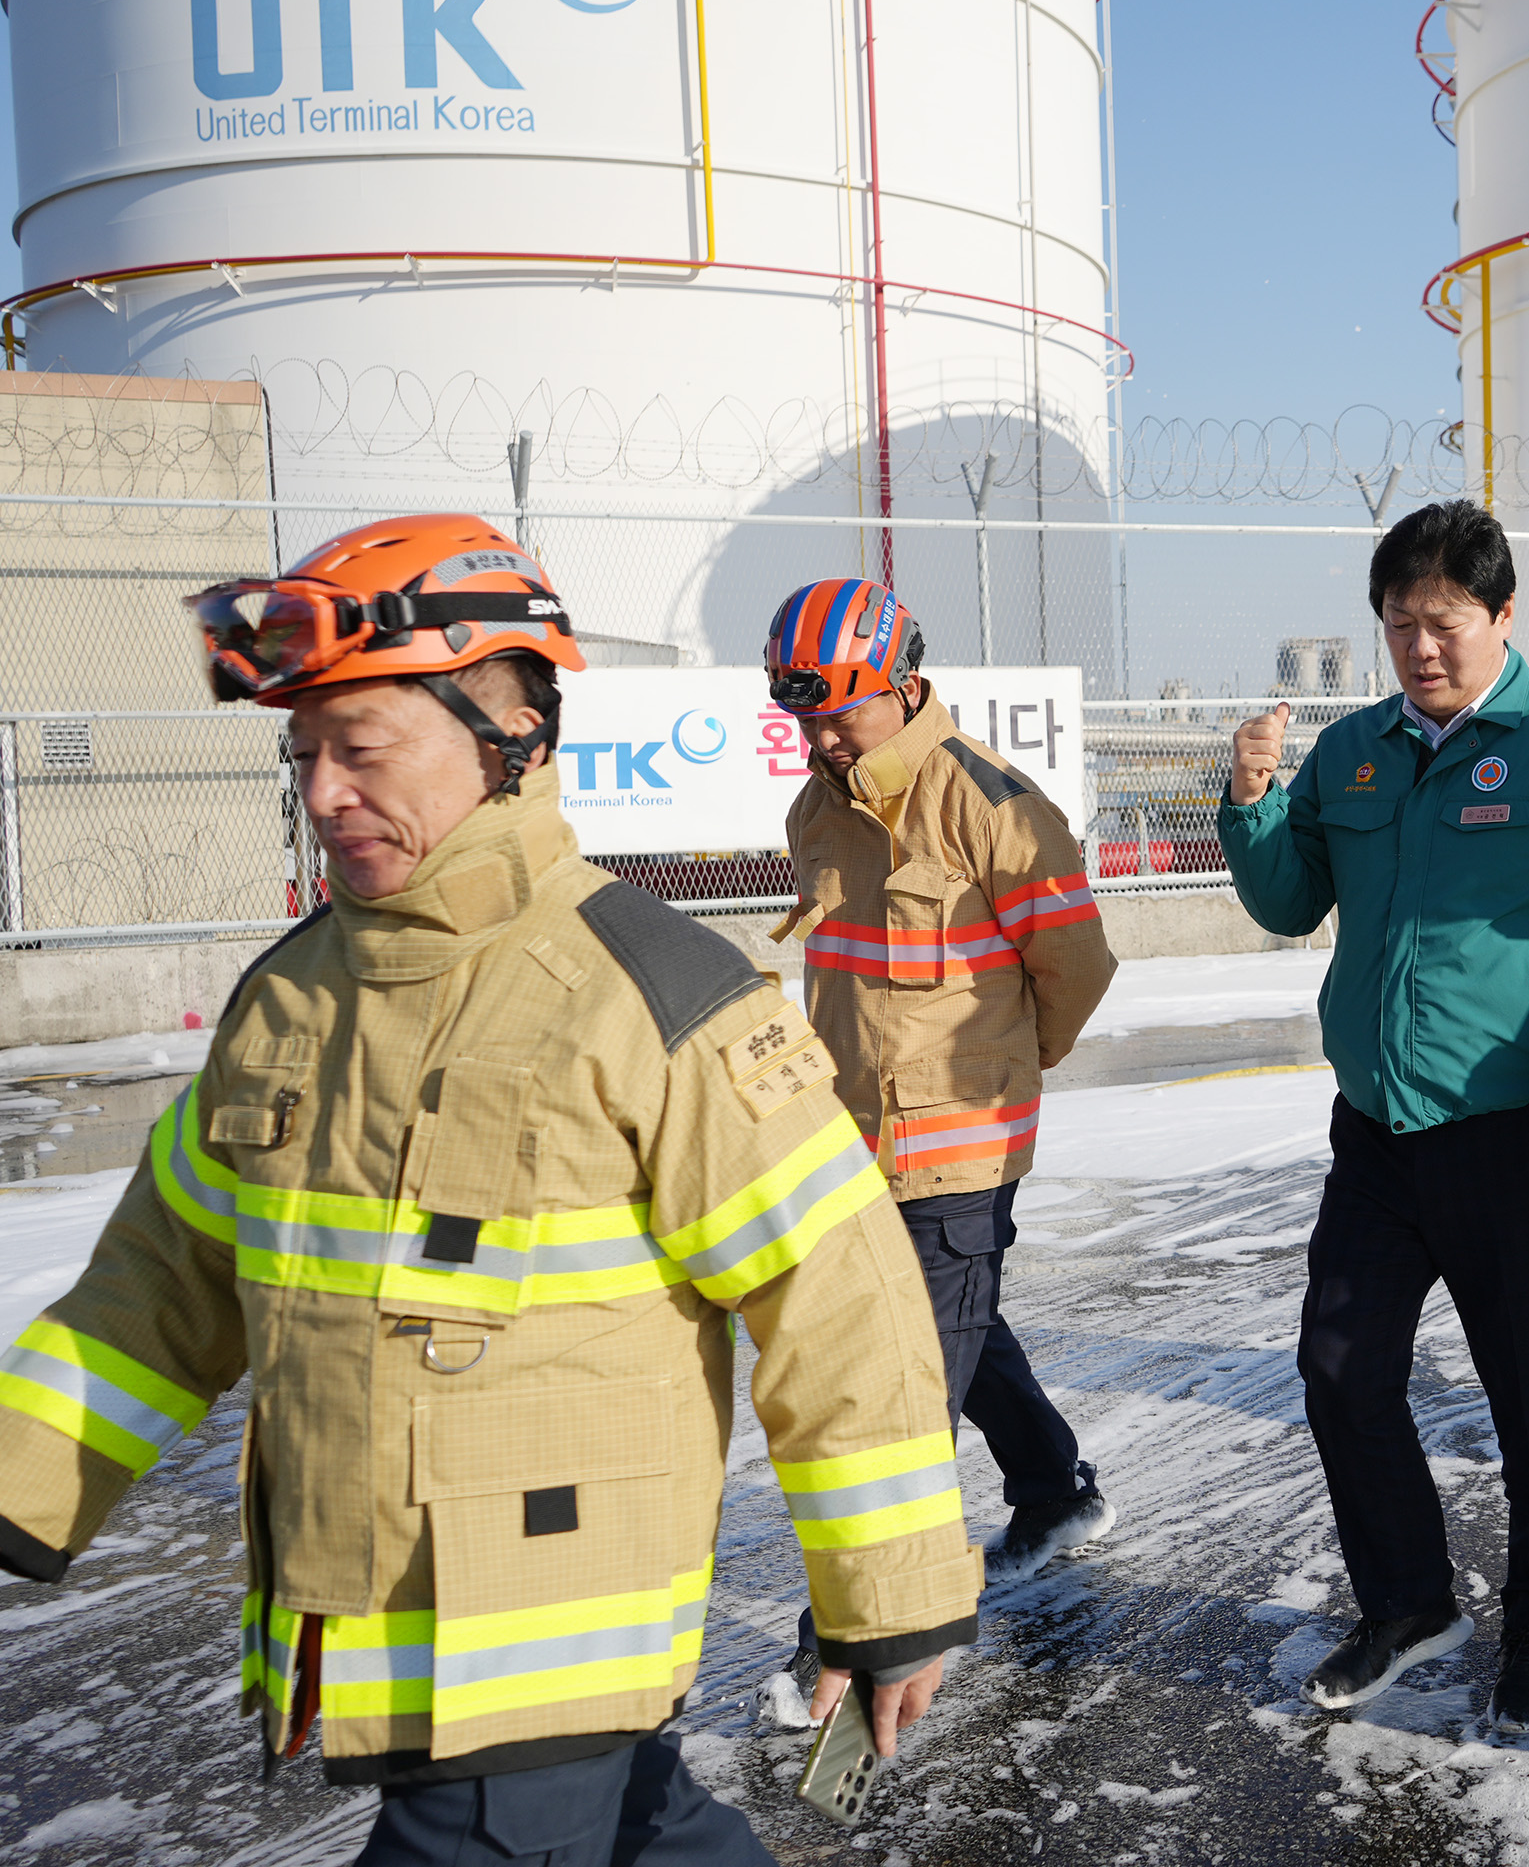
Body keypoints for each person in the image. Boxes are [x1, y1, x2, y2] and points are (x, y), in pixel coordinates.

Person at [0, 518, 980, 1867]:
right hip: (368, 1613)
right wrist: (19, 1482)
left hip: (538, 1632)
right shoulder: (289, 998)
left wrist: (892, 1602)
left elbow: (843, 1302)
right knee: (652, 1833)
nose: (327, 793)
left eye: (365, 750)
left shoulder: (651, 993)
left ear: (510, 733)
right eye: (306, 758)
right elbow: (156, 1288)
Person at [1217, 500, 1529, 1738]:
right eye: (1400, 622)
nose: (1421, 645)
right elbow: (1286, 898)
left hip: (1522, 1132)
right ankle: (1411, 1599)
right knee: (1339, 1370)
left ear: (1501, 617)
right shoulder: (1355, 751)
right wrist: (1252, 794)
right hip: (1377, 1131)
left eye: (1446, 622)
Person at [768, 578, 1118, 1583]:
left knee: (900, 1390)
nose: (825, 739)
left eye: (841, 715)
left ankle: (855, 1634)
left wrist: (1005, 1065)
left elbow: (1077, 968)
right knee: (958, 1324)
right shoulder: (817, 811)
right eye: (806, 720)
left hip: (962, 1144)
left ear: (903, 683)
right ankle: (1055, 1489)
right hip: (855, 1138)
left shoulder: (994, 807)